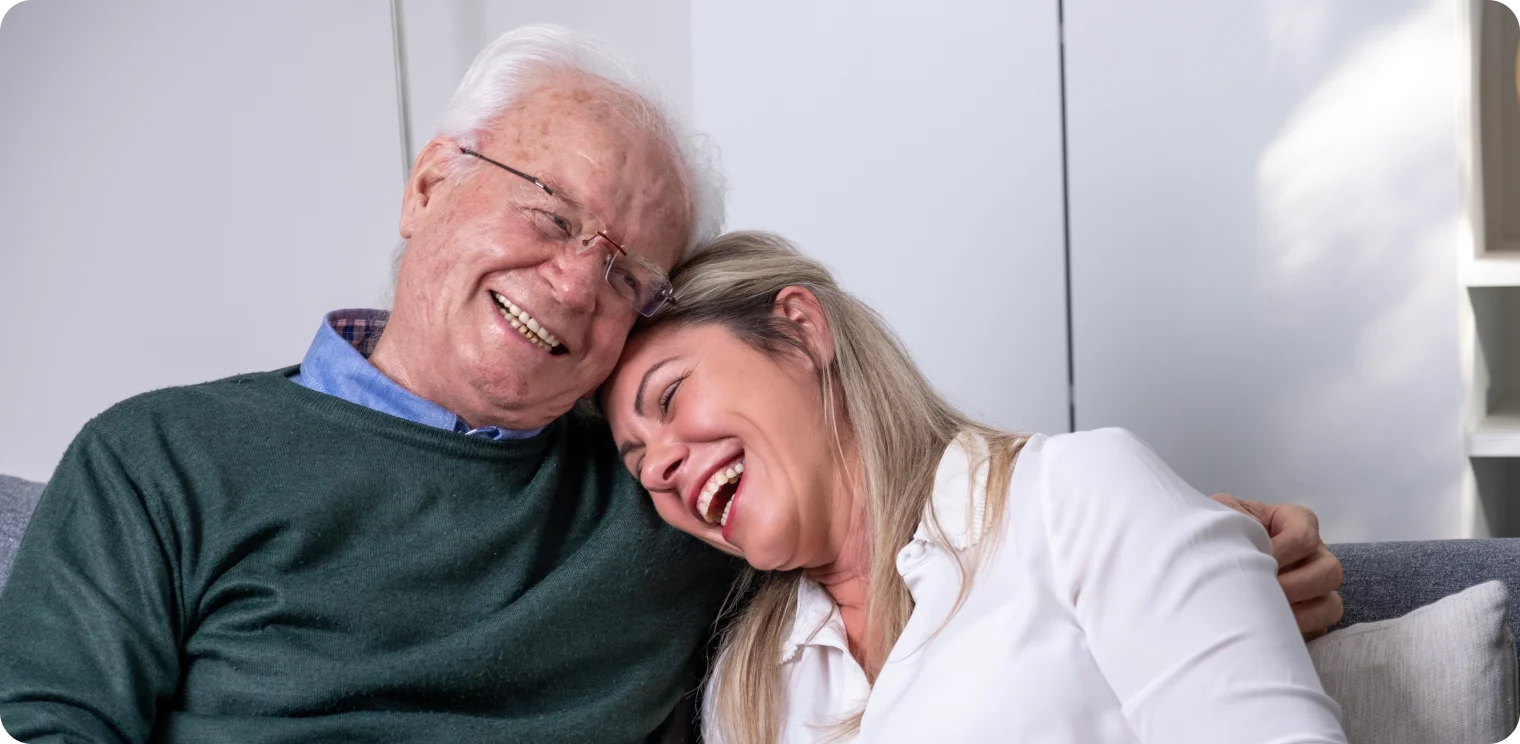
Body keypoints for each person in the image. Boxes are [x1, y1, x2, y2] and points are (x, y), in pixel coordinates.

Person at [0, 25, 1339, 743]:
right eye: (548, 211)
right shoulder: (162, 460)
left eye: (632, 268)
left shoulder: (665, 504)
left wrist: (1209, 545)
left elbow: (923, 519)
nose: (581, 283)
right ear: (426, 186)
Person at [602, 231, 1348, 743]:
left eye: (669, 399)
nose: (660, 467)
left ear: (800, 331)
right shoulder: (748, 687)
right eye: (638, 466)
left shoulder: (1071, 499)